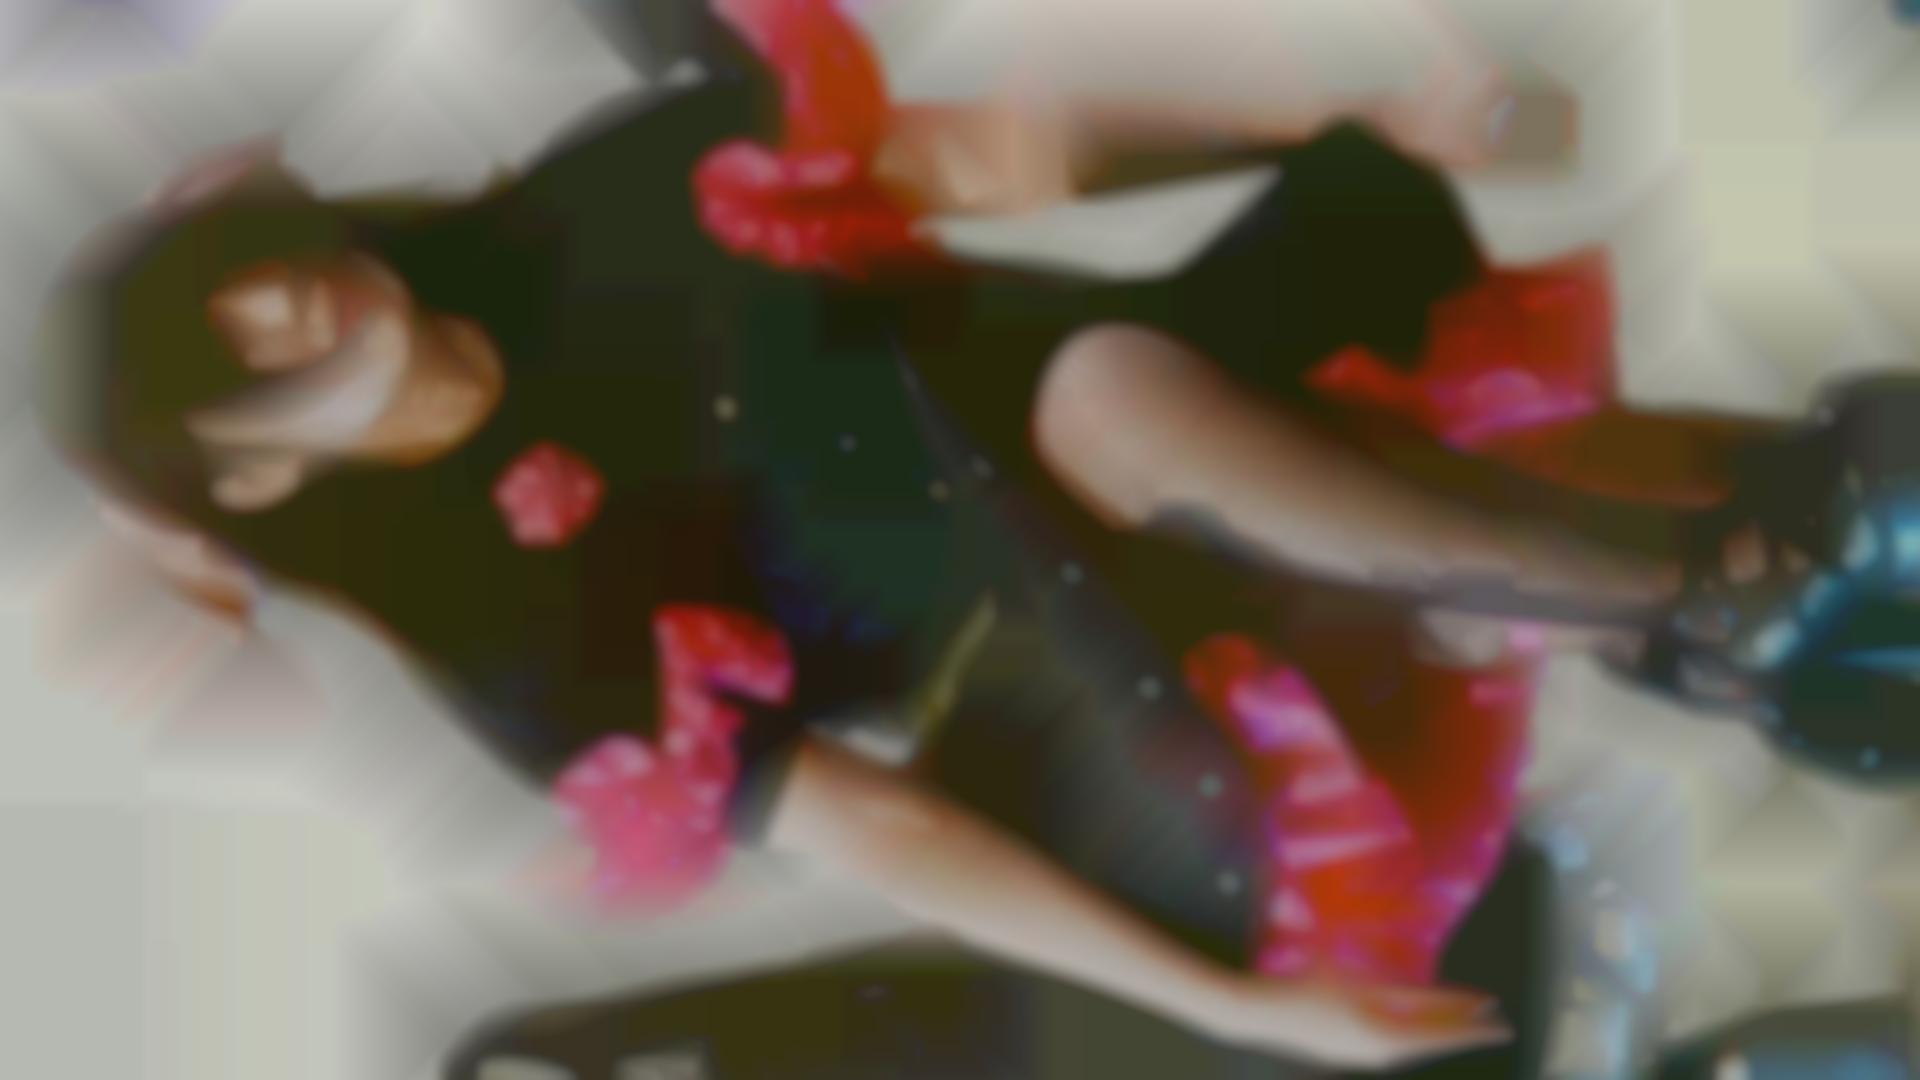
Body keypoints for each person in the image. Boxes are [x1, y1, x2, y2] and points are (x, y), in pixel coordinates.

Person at [29, 0, 1920, 1074]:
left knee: (1272, 397)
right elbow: (889, 833)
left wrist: (1350, 103)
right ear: (252, 483)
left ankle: (1748, 607)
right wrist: (1243, 1008)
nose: (270, 313)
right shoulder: (499, 630)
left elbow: (1001, 156)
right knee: (1115, 406)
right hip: (1102, 689)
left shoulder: (601, 203)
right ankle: (1719, 607)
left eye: (229, 278)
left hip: (1221, 429)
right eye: (220, 366)